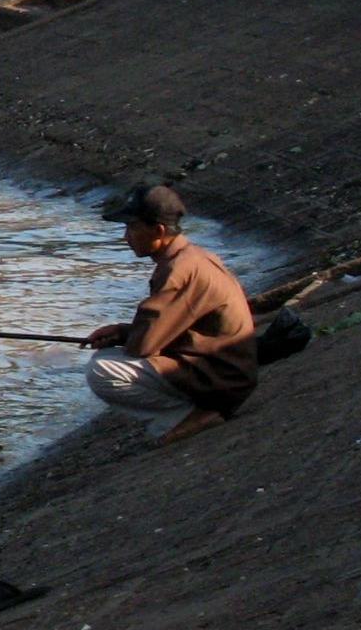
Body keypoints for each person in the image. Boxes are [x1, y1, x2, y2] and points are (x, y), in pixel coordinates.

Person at [83, 182, 257, 445]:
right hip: (227, 369)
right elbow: (168, 328)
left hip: (222, 378)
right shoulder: (194, 256)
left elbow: (144, 346)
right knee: (110, 356)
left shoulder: (178, 271)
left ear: (158, 230)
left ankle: (188, 416)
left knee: (102, 369)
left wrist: (128, 336)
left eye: (132, 227)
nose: (126, 237)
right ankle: (191, 412)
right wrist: (122, 331)